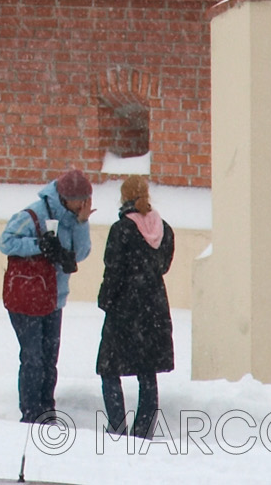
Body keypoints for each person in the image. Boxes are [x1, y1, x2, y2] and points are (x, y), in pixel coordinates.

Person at [0, 167, 95, 424]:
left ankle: (47, 412)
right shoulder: (35, 214)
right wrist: (39, 246)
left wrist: (82, 223)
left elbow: (81, 254)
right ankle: (30, 414)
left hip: (54, 299)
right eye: (79, 200)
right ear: (64, 197)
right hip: (27, 298)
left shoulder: (76, 218)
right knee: (33, 358)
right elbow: (5, 241)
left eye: (87, 200)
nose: (84, 205)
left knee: (50, 360)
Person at [94, 174, 175, 438]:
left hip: (125, 307)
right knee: (147, 370)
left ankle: (116, 425)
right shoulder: (165, 229)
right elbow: (163, 266)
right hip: (154, 305)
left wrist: (106, 299)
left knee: (108, 367)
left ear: (123, 198)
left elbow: (113, 270)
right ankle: (144, 431)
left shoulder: (121, 230)